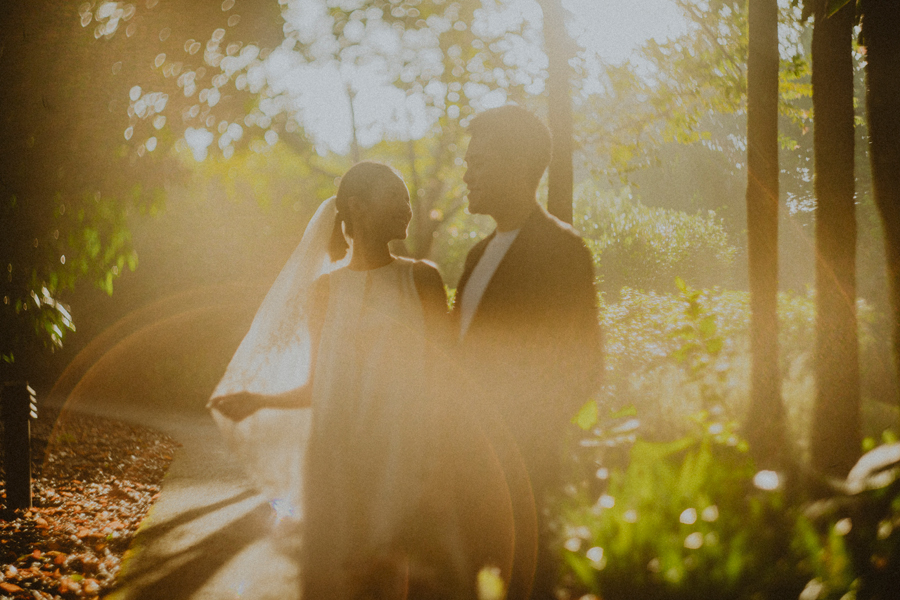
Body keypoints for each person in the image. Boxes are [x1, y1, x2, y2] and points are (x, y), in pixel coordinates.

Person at [208, 161, 514, 600]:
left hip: (406, 459)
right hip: (337, 463)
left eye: (408, 199)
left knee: (405, 580)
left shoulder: (422, 279)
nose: (408, 208)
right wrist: (257, 399)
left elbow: (448, 379)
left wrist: (443, 464)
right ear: (357, 206)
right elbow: (320, 386)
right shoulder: (323, 292)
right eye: (396, 196)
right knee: (341, 580)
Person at [455, 105, 603, 600]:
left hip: (521, 473)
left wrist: (520, 447)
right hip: (465, 467)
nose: (467, 173)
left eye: (480, 162)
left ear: (519, 167)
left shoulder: (562, 251)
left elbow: (582, 366)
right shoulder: (477, 255)